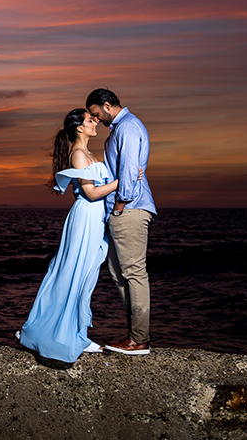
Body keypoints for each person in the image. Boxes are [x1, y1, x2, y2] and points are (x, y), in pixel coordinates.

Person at [17, 108, 122, 364]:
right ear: (78, 127)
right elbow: (92, 194)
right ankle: (48, 334)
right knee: (71, 273)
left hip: (94, 219)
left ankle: (78, 334)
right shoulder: (78, 154)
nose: (95, 123)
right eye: (89, 120)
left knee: (85, 277)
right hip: (85, 218)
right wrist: (123, 181)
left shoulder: (87, 153)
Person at [86, 88, 155, 356]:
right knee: (118, 273)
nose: (96, 120)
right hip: (122, 209)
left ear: (106, 105)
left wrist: (120, 204)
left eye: (95, 114)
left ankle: (139, 339)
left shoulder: (128, 126)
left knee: (134, 273)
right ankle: (134, 335)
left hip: (129, 209)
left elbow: (129, 169)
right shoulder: (120, 129)